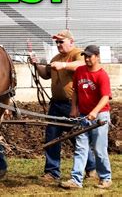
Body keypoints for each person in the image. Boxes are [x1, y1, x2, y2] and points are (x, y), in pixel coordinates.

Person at [30, 30, 96, 181]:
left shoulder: (78, 53)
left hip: (73, 104)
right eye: (57, 42)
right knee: (52, 137)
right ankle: (52, 172)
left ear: (71, 42)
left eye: (61, 41)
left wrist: (63, 65)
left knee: (78, 137)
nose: (58, 44)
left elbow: (81, 64)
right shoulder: (56, 58)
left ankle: (91, 168)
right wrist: (36, 64)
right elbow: (46, 74)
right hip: (56, 104)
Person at [60, 45, 112, 189]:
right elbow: (75, 91)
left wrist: (95, 112)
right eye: (85, 56)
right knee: (81, 148)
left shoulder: (102, 75)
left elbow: (105, 97)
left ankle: (106, 178)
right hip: (83, 115)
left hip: (100, 116)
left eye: (90, 56)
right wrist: (74, 108)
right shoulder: (80, 71)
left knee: (99, 149)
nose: (87, 59)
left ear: (97, 57)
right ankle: (76, 180)